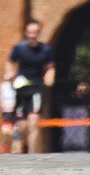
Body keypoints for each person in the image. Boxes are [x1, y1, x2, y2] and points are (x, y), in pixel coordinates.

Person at [5, 19, 56, 154]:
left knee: (34, 122)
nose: (33, 35)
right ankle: (23, 150)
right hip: (21, 88)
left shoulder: (45, 50)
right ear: (26, 33)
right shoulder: (19, 48)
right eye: (30, 32)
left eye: (35, 32)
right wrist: (10, 73)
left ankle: (33, 156)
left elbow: (50, 66)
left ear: (39, 33)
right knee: (22, 126)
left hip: (37, 87)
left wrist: (50, 76)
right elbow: (10, 62)